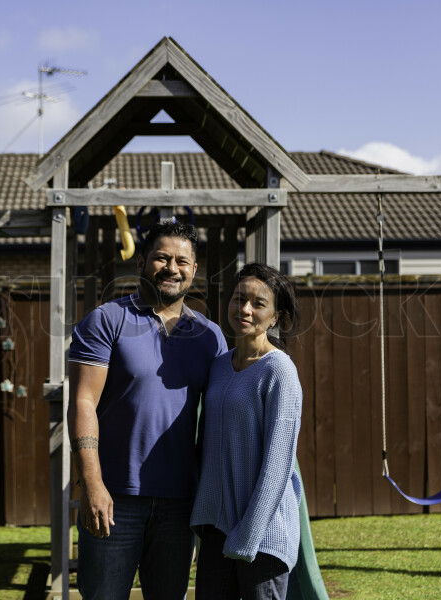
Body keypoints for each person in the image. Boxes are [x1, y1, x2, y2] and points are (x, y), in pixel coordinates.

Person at [67, 220, 227, 600]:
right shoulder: (107, 320)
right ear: (141, 263)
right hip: (113, 498)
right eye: (161, 258)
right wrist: (91, 484)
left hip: (180, 503)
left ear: (194, 271)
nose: (172, 268)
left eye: (183, 261)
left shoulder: (210, 336)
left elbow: (225, 414)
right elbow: (83, 401)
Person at [191, 262, 303, 600]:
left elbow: (278, 466)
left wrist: (249, 535)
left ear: (275, 317)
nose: (245, 309)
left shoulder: (279, 370)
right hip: (216, 532)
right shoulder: (219, 365)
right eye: (239, 298)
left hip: (263, 539)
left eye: (258, 303)